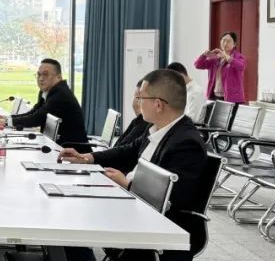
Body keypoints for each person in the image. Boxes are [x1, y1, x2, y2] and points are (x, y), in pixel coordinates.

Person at [59, 69, 208, 211]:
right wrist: (86, 158)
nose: (138, 102)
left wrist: (127, 185)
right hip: (133, 200)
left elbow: (171, 198)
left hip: (152, 216)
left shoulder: (187, 143)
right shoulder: (155, 127)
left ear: (158, 105)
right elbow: (126, 152)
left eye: (141, 98)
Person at [0, 58, 90, 152]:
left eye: (45, 74)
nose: (40, 78)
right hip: (54, 146)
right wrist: (6, 118)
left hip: (73, 152)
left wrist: (6, 122)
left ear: (59, 77)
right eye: (39, 75)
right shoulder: (47, 91)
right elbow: (34, 112)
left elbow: (37, 118)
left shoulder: (61, 94)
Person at [194, 31, 246, 104]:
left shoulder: (239, 57)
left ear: (234, 44)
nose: (225, 43)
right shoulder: (216, 58)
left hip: (232, 98)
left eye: (228, 41)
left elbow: (241, 66)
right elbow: (198, 65)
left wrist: (226, 56)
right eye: (223, 40)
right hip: (215, 96)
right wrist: (204, 55)